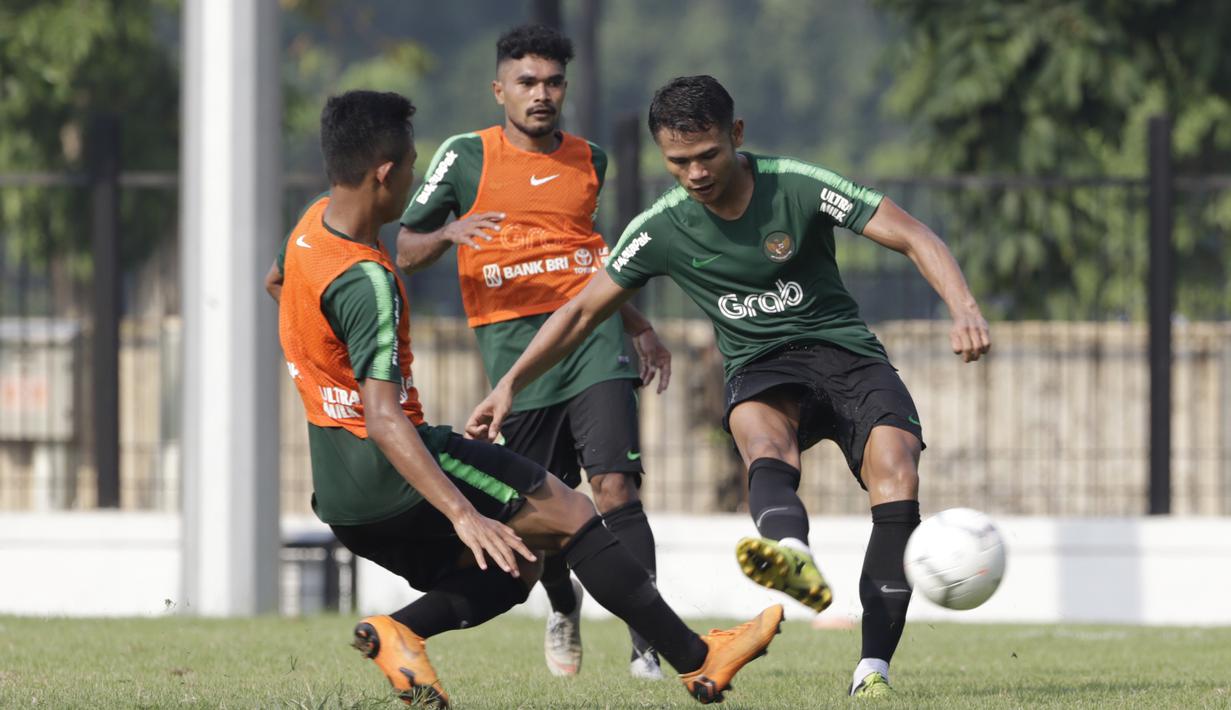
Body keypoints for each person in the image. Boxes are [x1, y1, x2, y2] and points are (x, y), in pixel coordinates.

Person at [466, 75, 991, 699]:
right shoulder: (661, 227)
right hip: (760, 365)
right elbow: (581, 311)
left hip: (845, 352)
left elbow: (913, 234)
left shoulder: (797, 183)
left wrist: (963, 307)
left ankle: (872, 669)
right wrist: (510, 385)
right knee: (763, 441)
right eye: (678, 161)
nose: (694, 173)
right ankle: (792, 552)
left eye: (707, 155)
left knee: (898, 471)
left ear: (735, 136)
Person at [266, 89, 781, 708]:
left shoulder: (308, 231)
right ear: (384, 174)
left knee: (518, 567)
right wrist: (463, 513)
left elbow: (276, 283)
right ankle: (699, 660)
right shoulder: (369, 281)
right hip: (393, 463)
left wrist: (323, 365)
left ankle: (401, 631)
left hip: (342, 493)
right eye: (410, 169)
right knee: (573, 515)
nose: (414, 181)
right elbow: (382, 416)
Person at [397, 24, 670, 680]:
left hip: (593, 340)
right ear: (500, 90)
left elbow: (584, 261)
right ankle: (561, 604)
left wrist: (634, 323)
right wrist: (448, 233)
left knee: (615, 485)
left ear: (564, 88)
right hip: (512, 349)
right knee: (538, 507)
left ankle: (645, 645)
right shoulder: (464, 156)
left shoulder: (590, 159)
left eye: (551, 83)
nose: (540, 94)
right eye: (526, 83)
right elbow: (405, 247)